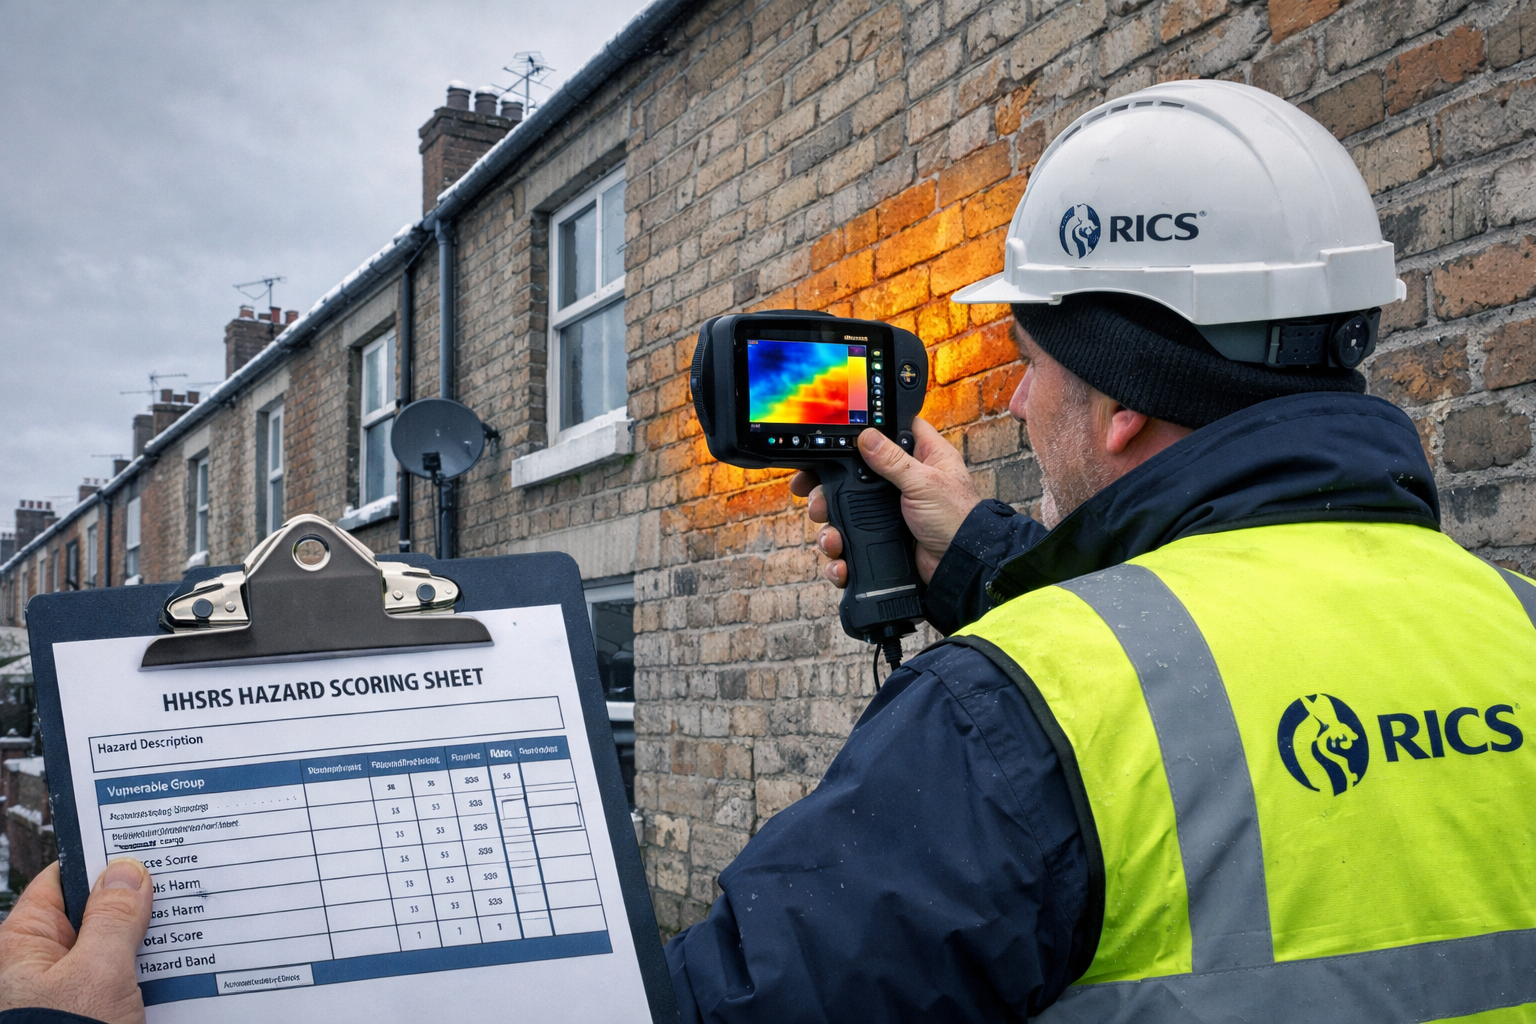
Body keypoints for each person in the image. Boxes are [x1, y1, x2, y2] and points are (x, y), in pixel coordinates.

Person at [6, 79, 1535, 1024]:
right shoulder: (1507, 620)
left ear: (1126, 401)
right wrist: (990, 558)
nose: (1018, 391)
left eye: (1038, 359)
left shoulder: (1017, 713)